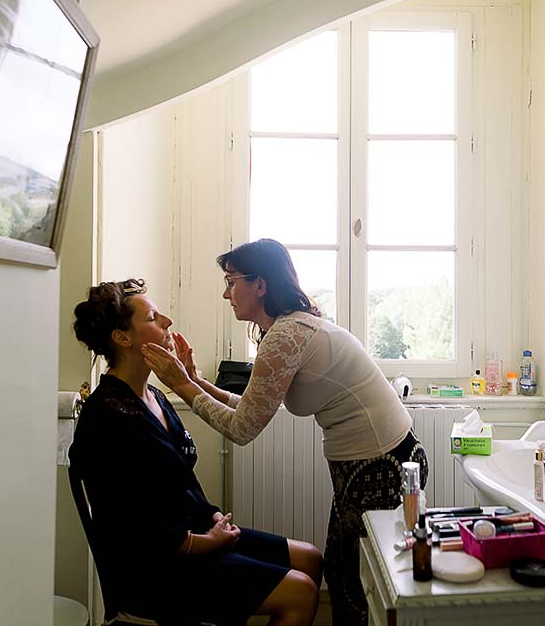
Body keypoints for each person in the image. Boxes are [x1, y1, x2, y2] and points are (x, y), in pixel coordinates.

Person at [143, 240, 429, 626]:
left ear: (260, 284)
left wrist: (181, 385)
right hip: (374, 460)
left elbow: (242, 428)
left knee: (359, 583)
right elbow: (251, 405)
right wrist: (195, 381)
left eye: (231, 281)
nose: (226, 293)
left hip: (382, 464)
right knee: (345, 574)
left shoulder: (284, 336)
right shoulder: (287, 328)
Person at [69, 278, 321, 626]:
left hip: (196, 536)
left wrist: (213, 517)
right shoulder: (109, 417)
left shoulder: (154, 396)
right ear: (122, 338)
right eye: (153, 317)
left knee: (310, 559)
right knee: (302, 592)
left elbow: (180, 482)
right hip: (157, 568)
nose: (167, 322)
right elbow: (141, 529)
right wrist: (205, 542)